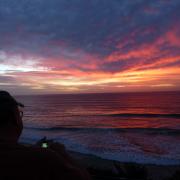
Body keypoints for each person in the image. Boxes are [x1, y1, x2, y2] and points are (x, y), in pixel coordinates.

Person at [0, 91, 91, 179]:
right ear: (15, 118)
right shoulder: (45, 158)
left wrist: (34, 148)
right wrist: (63, 154)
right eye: (20, 114)